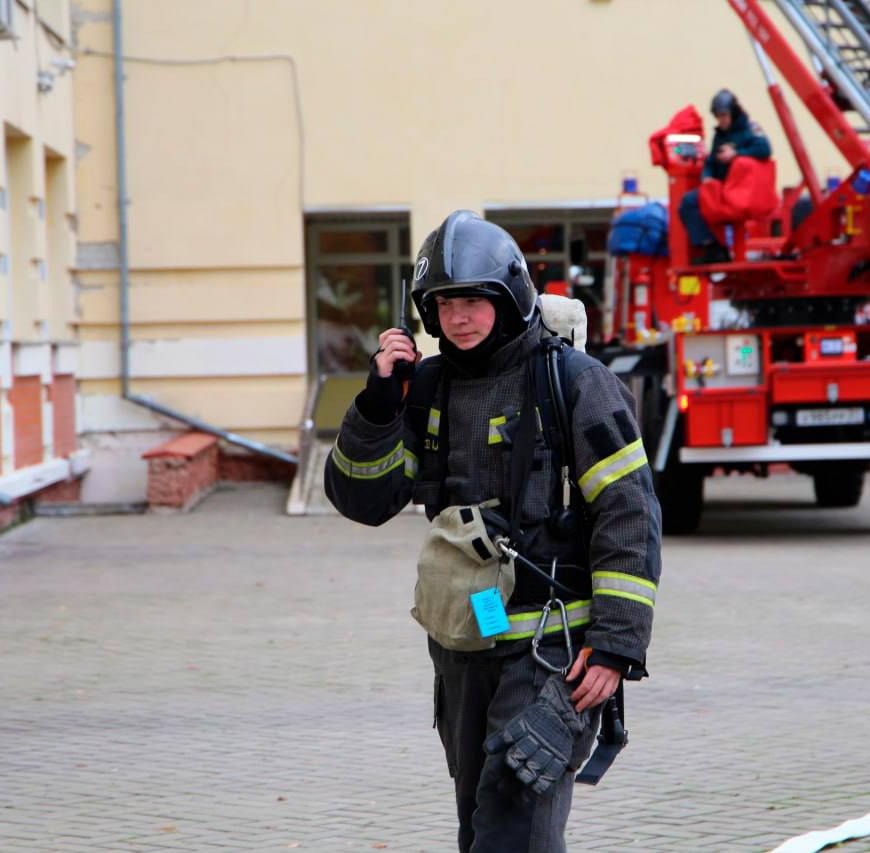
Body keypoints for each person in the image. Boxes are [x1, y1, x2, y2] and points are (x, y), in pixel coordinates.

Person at [324, 210, 661, 852]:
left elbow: (630, 513)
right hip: (463, 648)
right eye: (445, 304)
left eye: (474, 300)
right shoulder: (426, 389)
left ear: (509, 297)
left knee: (513, 829)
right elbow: (363, 501)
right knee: (480, 827)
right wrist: (378, 406)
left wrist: (616, 645)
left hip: (553, 653)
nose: (458, 317)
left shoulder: (576, 383)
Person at [679, 88, 772, 263]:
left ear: (733, 113)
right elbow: (711, 161)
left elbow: (764, 149)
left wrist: (736, 153)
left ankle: (717, 250)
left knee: (696, 203)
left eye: (723, 115)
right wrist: (706, 178)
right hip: (723, 190)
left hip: (741, 191)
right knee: (689, 202)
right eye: (718, 116)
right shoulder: (719, 135)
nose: (721, 120)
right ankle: (713, 247)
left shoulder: (750, 129)